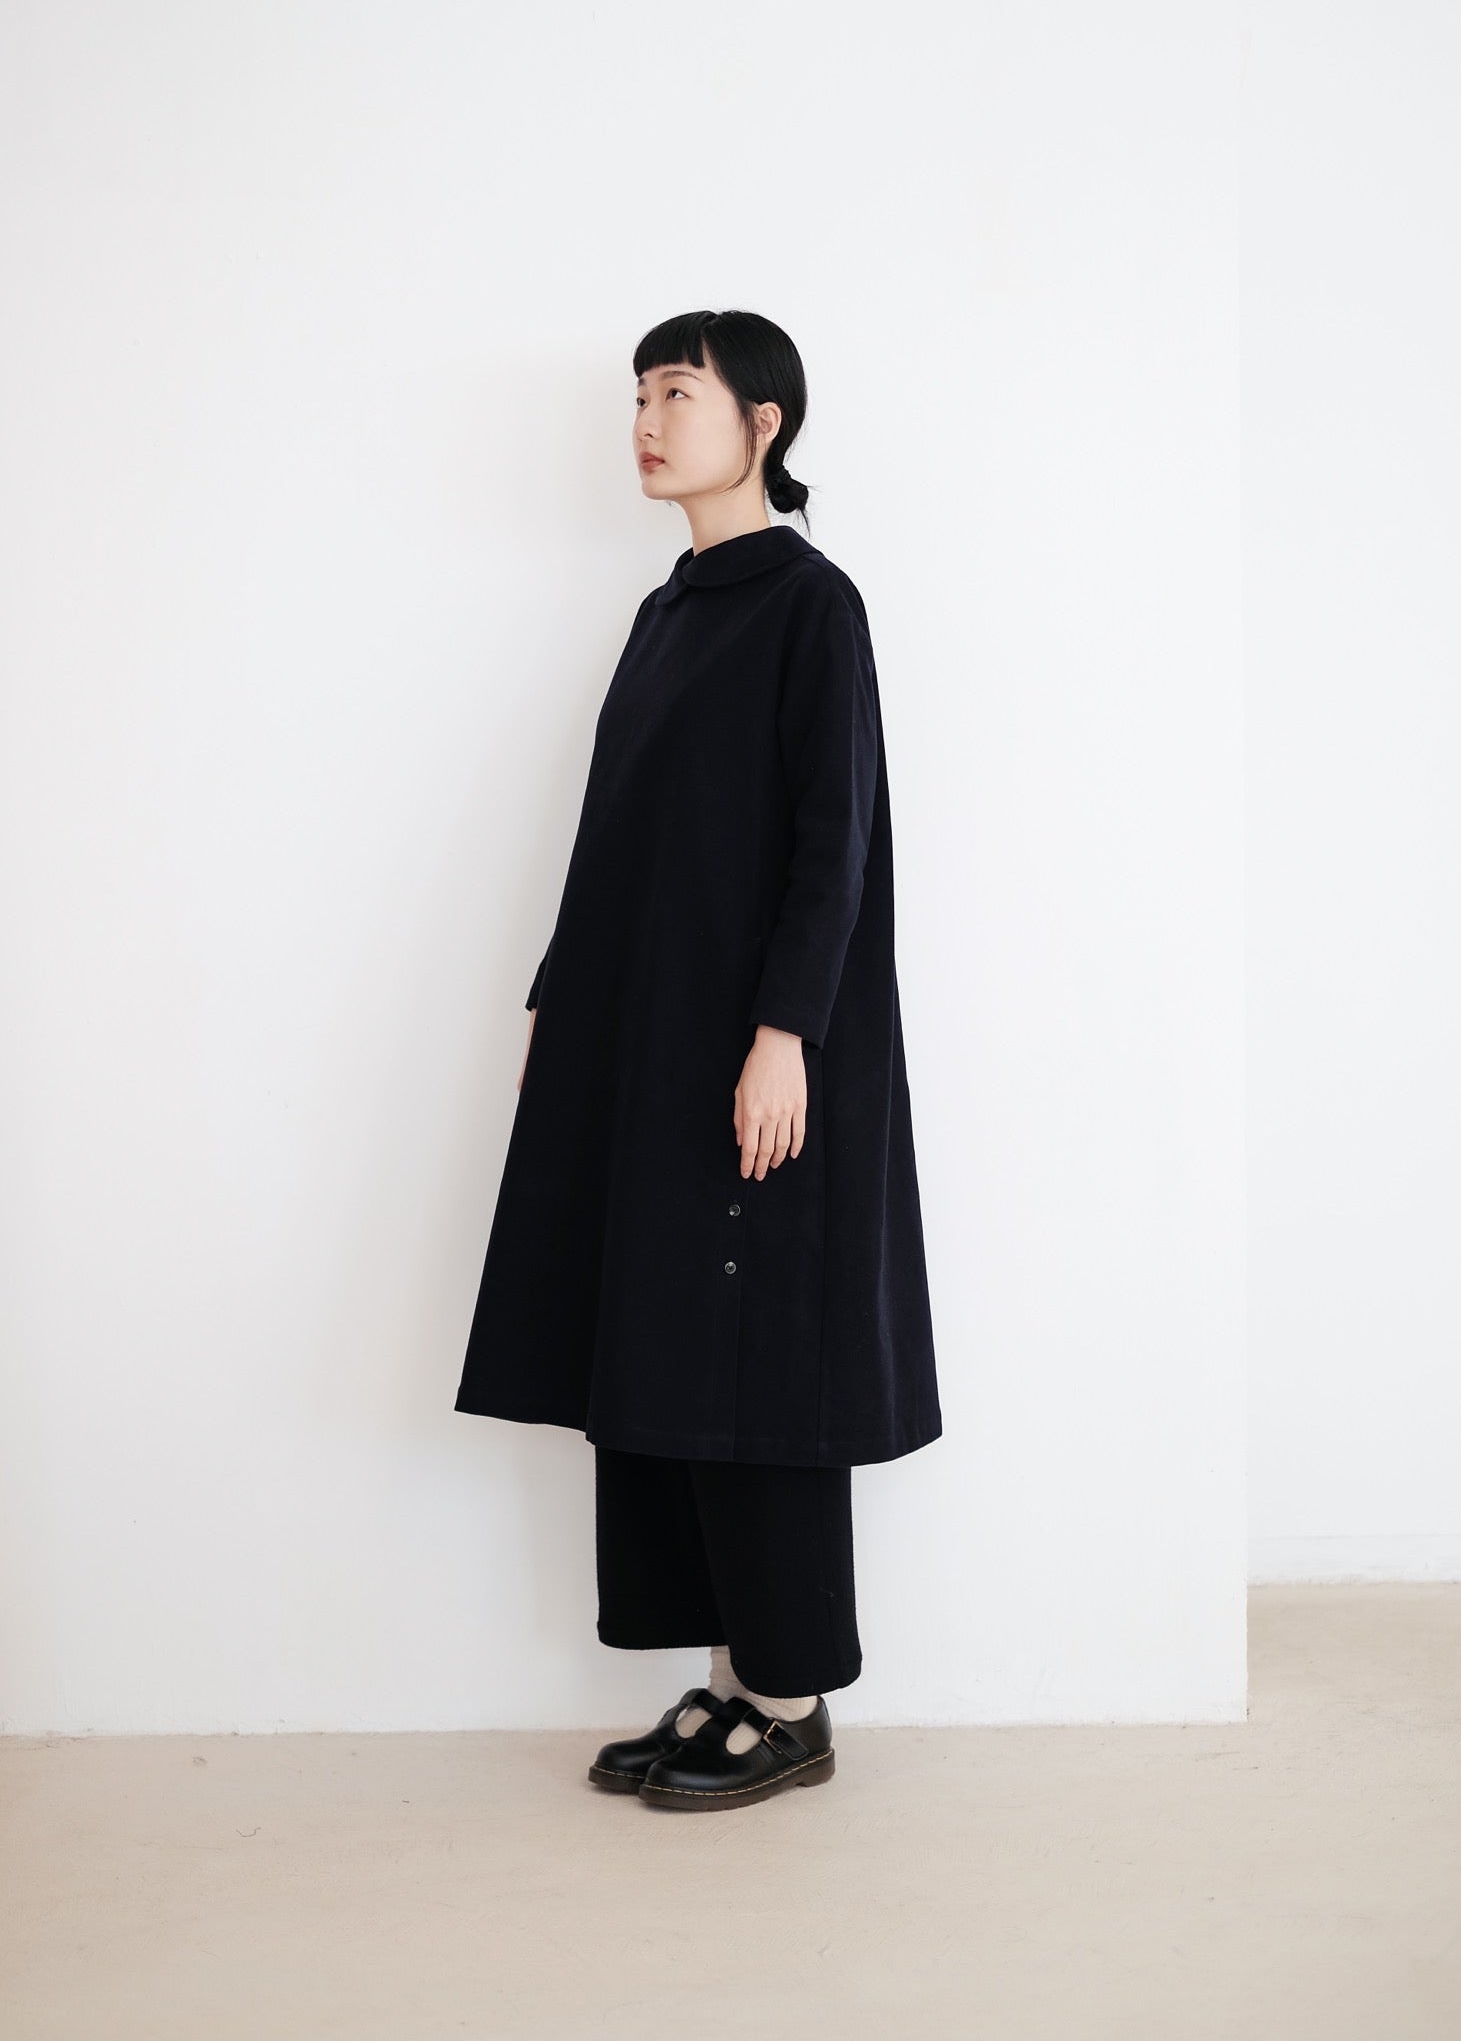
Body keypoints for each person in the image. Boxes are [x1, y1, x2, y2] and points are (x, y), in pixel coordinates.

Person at [455, 308, 941, 1811]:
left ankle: (789, 1703)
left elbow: (834, 844)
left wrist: (786, 1034)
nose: (649, 423)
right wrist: (558, 1004)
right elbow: (614, 833)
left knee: (763, 1362)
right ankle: (733, 1682)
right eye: (640, 397)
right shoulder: (668, 610)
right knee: (673, 1349)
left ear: (765, 424)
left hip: (759, 1055)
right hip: (650, 1047)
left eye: (680, 393)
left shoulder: (813, 606)